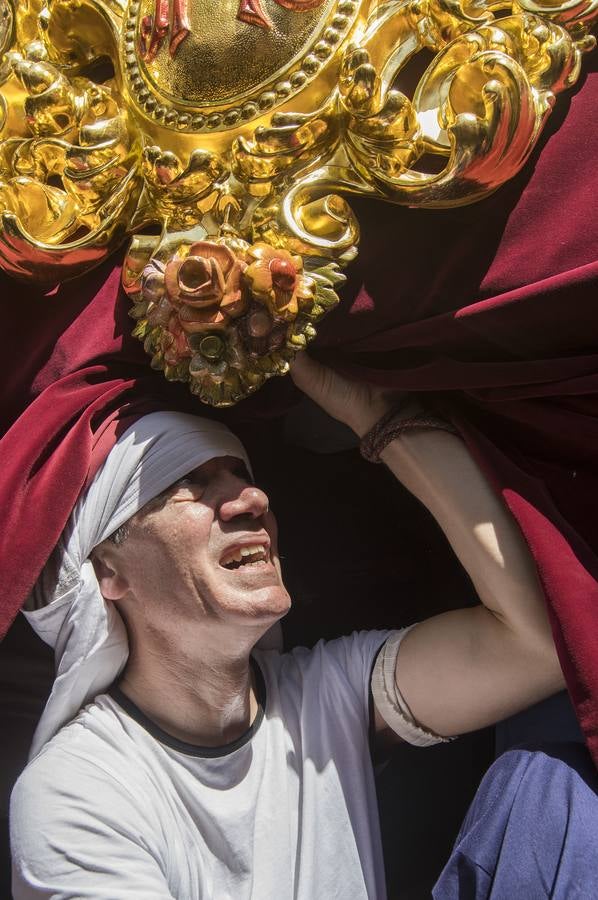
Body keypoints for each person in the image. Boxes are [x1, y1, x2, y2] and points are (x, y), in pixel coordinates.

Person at [9, 354, 597, 898]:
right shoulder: (77, 794)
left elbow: (540, 643)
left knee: (552, 792)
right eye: (186, 482)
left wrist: (380, 416)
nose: (251, 497)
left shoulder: (325, 691)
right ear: (107, 573)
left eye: (240, 474)